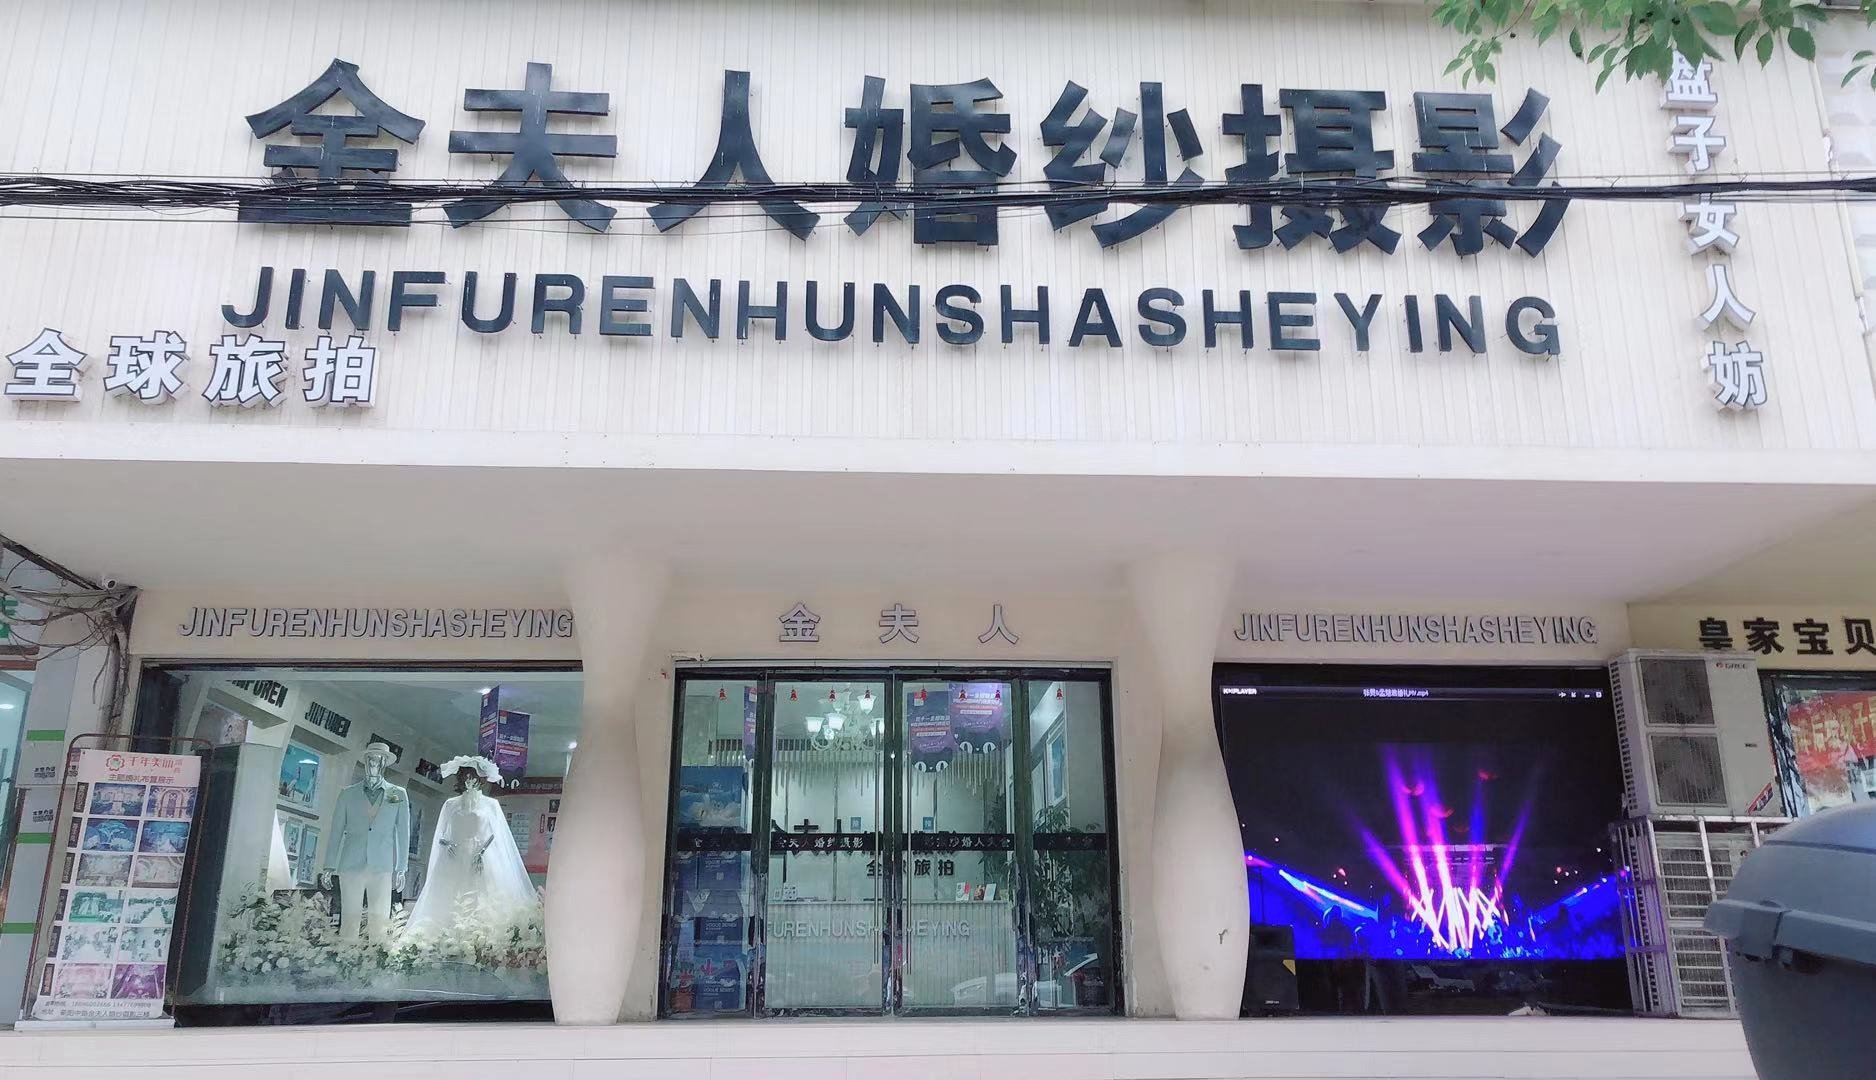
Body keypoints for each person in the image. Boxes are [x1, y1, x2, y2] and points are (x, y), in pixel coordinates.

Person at [403, 755, 538, 938]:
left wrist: (482, 851)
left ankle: (482, 939)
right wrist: (447, 844)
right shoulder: (451, 804)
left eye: (473, 777)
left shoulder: (491, 805)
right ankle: (447, 938)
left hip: (480, 857)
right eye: (466, 776)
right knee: (450, 895)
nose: (469, 780)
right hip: (454, 856)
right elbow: (441, 833)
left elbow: (496, 834)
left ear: (480, 779)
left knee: (482, 894)